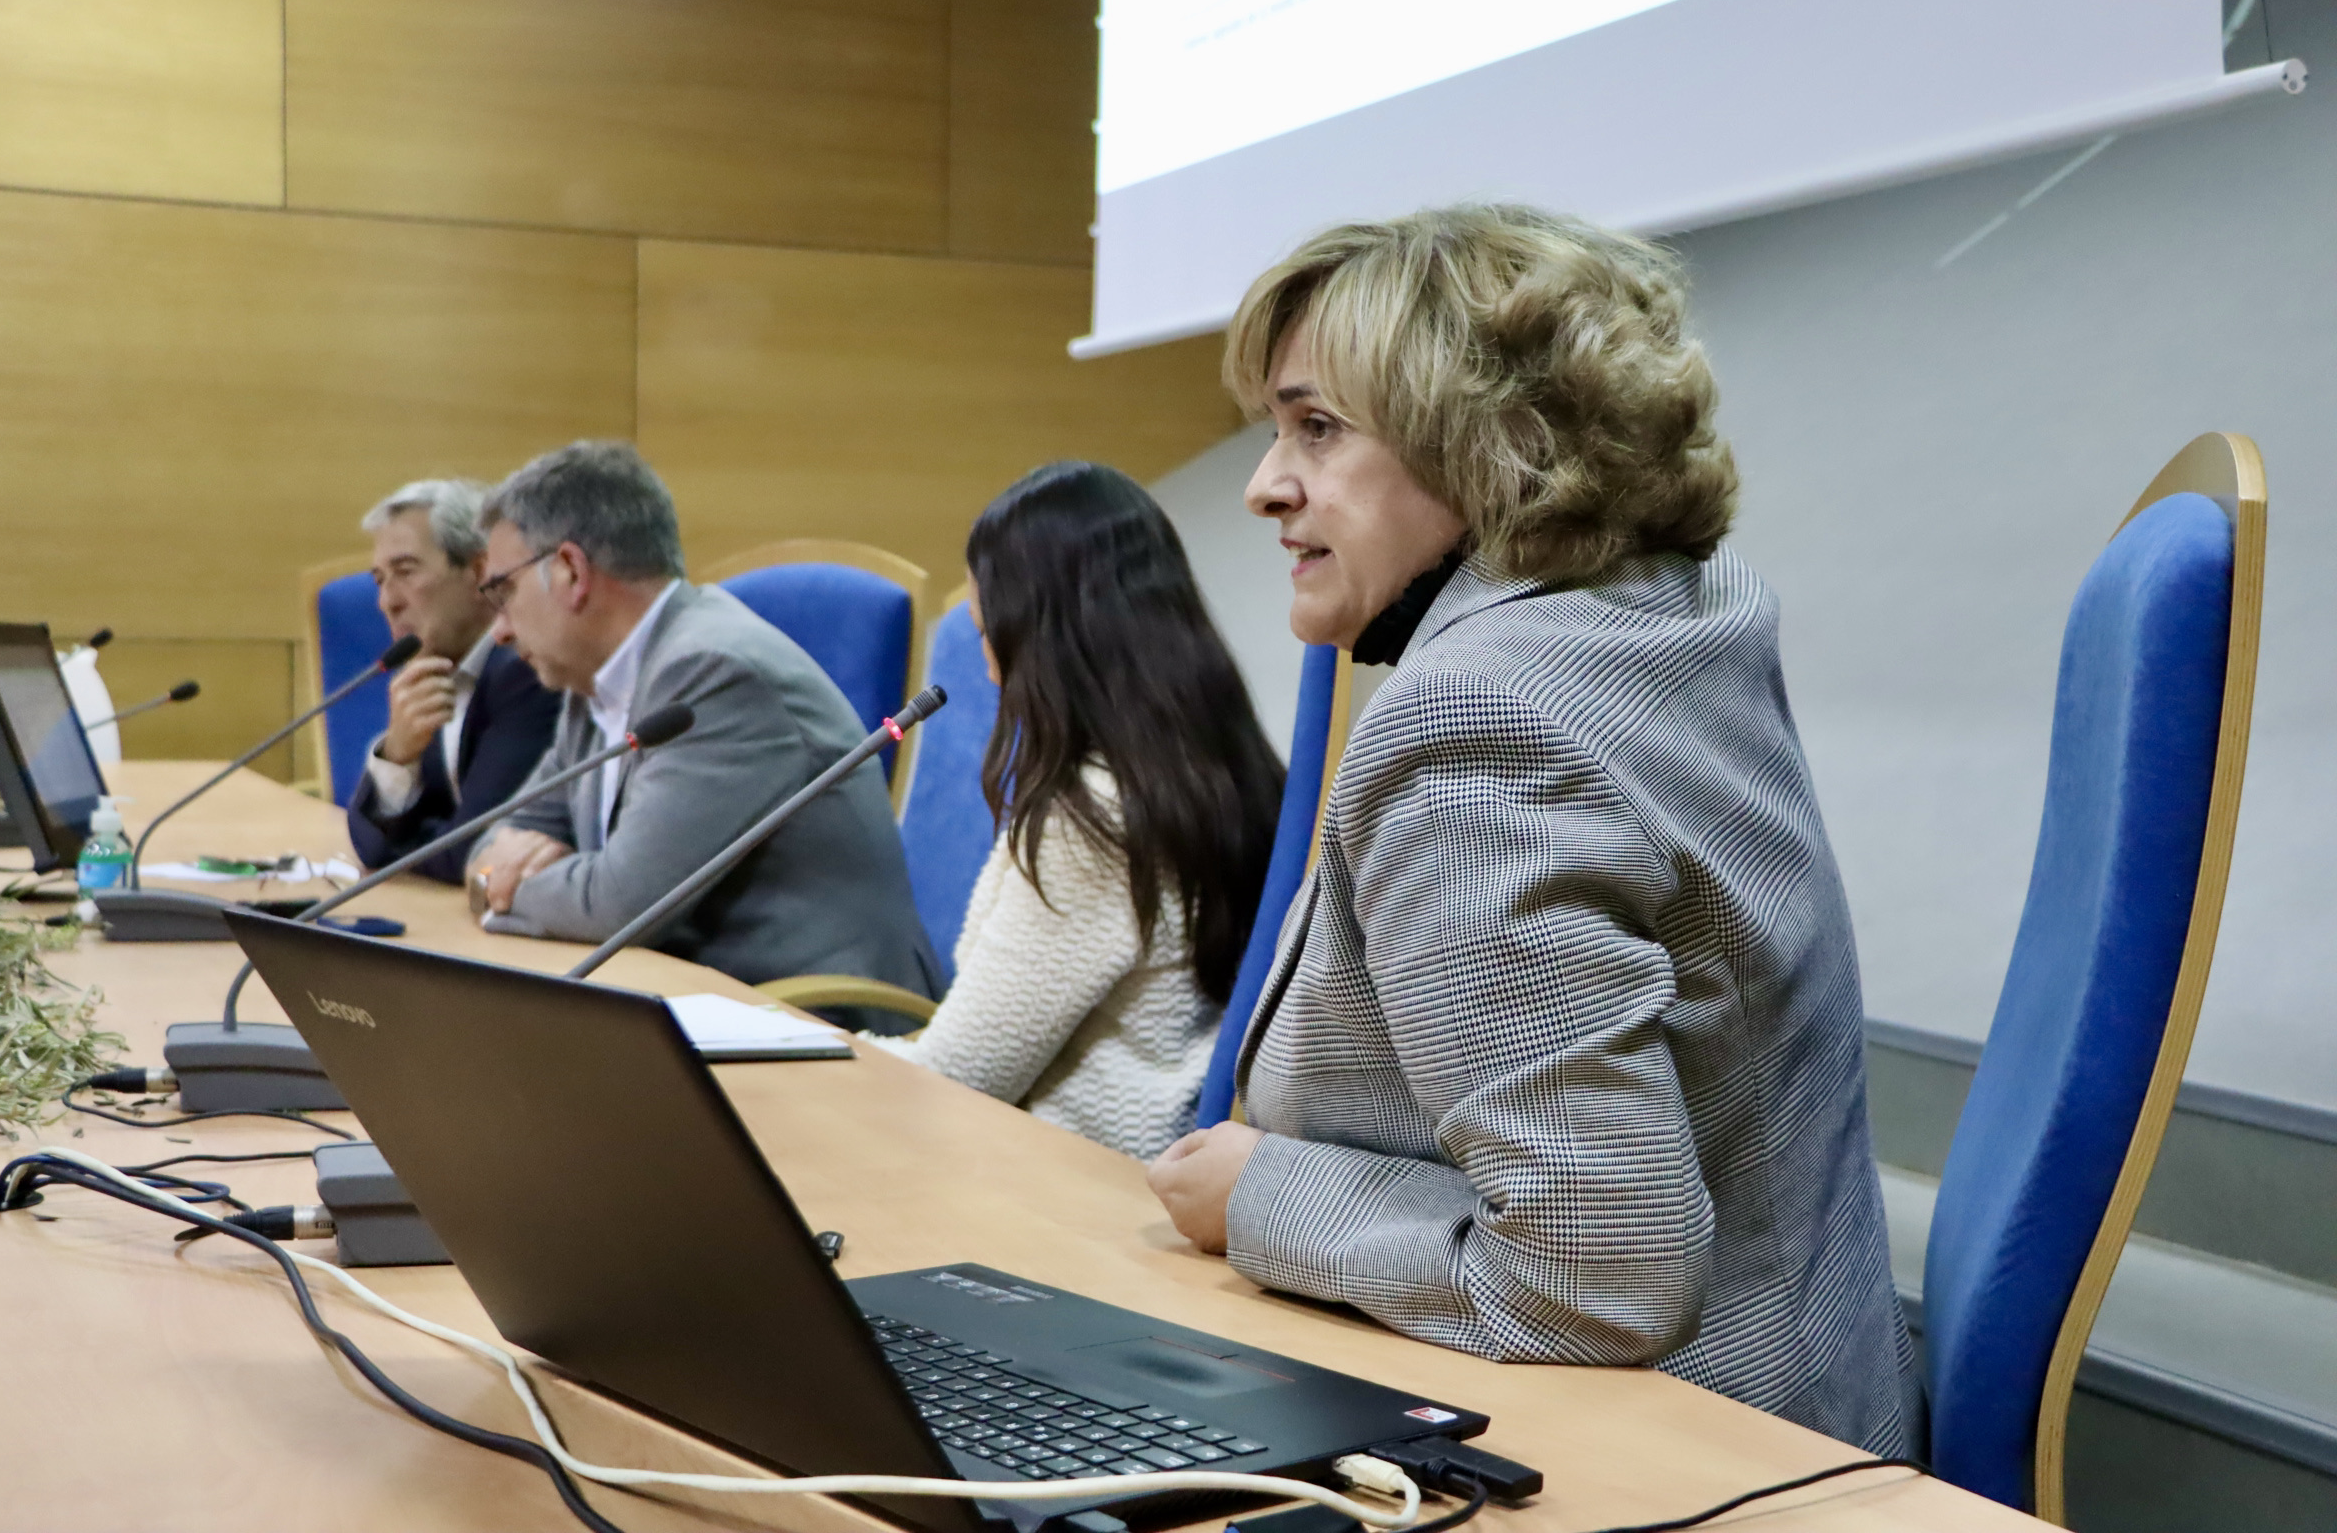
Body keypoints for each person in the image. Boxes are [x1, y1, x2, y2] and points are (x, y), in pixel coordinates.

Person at [1143, 204, 1920, 1456]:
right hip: (1814, 1396)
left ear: (1486, 448)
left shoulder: (1478, 722)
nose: (1263, 484)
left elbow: (1598, 1273)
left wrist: (1262, 1194)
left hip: (1678, 1451)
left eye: (1317, 428)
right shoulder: (1671, 612)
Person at [872, 463, 1285, 1160]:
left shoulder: (1095, 819)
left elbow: (959, 1077)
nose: (988, 667)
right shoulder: (1213, 764)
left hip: (1065, 1182)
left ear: (1043, 637)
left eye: (986, 632)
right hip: (1130, 1170)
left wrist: (807, 1051)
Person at [466, 440, 939, 996]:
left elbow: (620, 903)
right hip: (697, 1002)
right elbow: (488, 843)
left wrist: (505, 881)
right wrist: (504, 867)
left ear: (571, 571)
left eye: (504, 591)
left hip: (823, 1022)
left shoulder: (713, 673)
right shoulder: (591, 683)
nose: (497, 630)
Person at [347, 479, 562, 884]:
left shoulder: (526, 672)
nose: (387, 602)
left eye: (406, 572)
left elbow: (472, 852)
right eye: (380, 579)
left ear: (480, 572)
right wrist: (398, 756)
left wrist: (407, 841)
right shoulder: (434, 671)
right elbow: (369, 842)